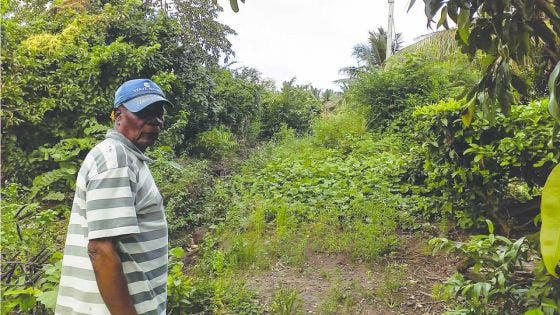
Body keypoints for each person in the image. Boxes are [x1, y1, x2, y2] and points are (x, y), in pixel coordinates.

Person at [55, 79, 171, 315]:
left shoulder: (126, 157)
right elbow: (100, 251)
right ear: (118, 116)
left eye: (158, 113)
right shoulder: (115, 161)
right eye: (144, 112)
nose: (155, 121)